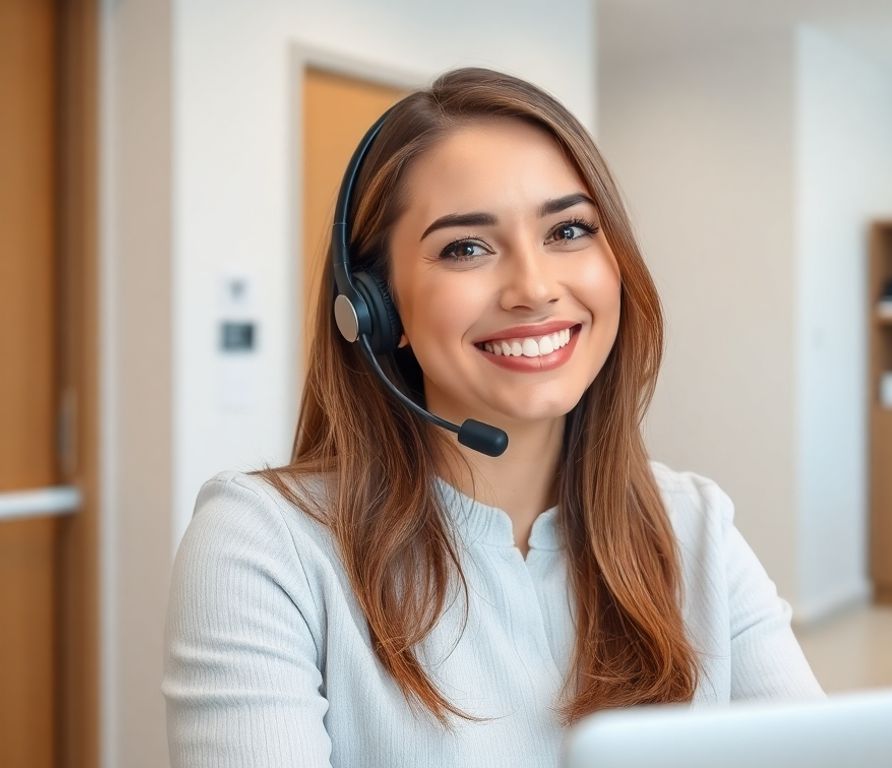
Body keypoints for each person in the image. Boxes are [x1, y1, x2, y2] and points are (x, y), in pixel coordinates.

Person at [163, 68, 822, 767]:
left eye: (568, 230)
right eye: (466, 247)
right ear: (378, 310)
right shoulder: (265, 545)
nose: (535, 289)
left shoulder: (695, 529)